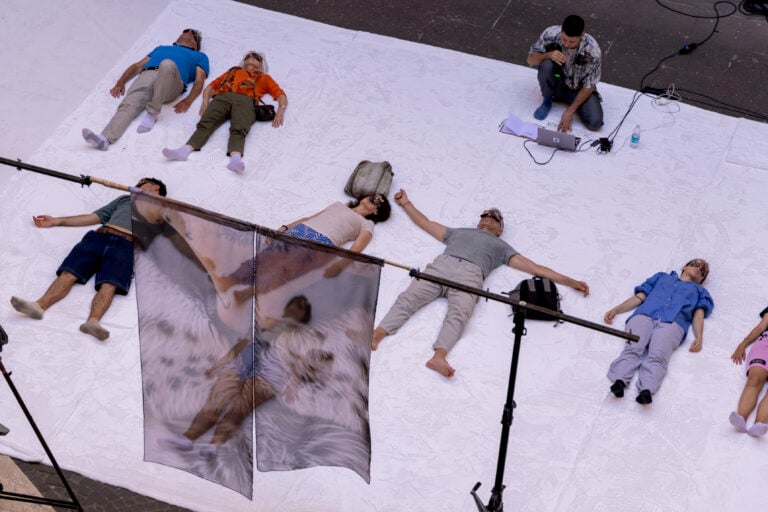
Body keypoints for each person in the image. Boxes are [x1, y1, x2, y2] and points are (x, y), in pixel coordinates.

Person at [371, 189, 590, 378]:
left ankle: (439, 356)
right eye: (484, 215)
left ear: (499, 230)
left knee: (460, 314)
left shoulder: (502, 247)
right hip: (443, 266)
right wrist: (405, 203)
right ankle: (377, 334)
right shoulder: (459, 232)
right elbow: (425, 223)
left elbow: (535, 268)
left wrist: (571, 281)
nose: (488, 218)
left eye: (494, 218)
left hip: (471, 276)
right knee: (409, 298)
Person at [10, 178, 168, 341]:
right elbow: (93, 217)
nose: (136, 186)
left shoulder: (166, 210)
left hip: (127, 246)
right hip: (99, 237)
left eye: (141, 183)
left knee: (110, 284)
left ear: (155, 187)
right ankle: (38, 306)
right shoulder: (125, 199)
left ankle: (93, 322)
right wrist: (58, 221)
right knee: (69, 273)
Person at [162, 295, 314, 453]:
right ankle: (187, 438)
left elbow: (300, 362)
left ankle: (214, 445)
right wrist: (219, 364)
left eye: (300, 309)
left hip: (269, 374)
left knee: (239, 409)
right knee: (217, 400)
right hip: (243, 363)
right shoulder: (268, 322)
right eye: (293, 306)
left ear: (303, 318)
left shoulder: (300, 337)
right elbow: (242, 344)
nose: (294, 311)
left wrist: (294, 385)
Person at [208, 194, 391, 298]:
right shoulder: (338, 205)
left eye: (378, 201)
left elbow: (357, 248)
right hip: (301, 231)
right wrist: (285, 228)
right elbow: (309, 218)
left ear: (376, 211)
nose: (374, 198)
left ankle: (247, 294)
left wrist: (339, 265)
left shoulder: (367, 224)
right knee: (265, 257)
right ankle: (229, 280)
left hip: (321, 242)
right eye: (373, 195)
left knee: (285, 269)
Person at [604, 259, 714, 405]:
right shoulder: (661, 277)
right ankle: (619, 381)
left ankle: (647, 389)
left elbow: (698, 315)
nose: (699, 268)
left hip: (673, 323)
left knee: (659, 356)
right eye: (696, 264)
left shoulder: (700, 292)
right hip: (645, 315)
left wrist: (699, 337)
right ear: (684, 266)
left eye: (703, 271)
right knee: (633, 348)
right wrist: (616, 310)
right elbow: (640, 297)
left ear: (702, 279)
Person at [82, 29, 209, 150]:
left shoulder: (199, 56)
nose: (187, 33)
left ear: (196, 44)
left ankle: (152, 113)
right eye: (185, 31)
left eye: (192, 33)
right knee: (128, 104)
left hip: (172, 81)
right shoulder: (161, 48)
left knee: (167, 64)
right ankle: (104, 139)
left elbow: (199, 80)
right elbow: (138, 66)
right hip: (147, 75)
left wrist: (189, 100)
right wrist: (121, 82)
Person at [162, 50, 287, 173]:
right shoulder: (233, 71)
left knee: (240, 128)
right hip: (223, 97)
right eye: (248, 56)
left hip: (246, 101)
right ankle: (184, 151)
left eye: (256, 57)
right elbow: (211, 86)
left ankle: (235, 160)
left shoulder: (264, 77)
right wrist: (205, 102)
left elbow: (281, 95)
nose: (251, 57)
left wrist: (280, 111)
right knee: (206, 123)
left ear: (261, 64)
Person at [526, 14, 603, 132]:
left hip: (578, 89)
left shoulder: (593, 50)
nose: (566, 45)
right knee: (546, 65)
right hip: (557, 81)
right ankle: (547, 100)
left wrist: (570, 110)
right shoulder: (550, 33)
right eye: (564, 39)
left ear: (581, 35)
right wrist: (547, 55)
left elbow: (589, 84)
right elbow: (530, 60)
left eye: (572, 42)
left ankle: (573, 103)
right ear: (561, 30)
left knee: (595, 122)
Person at [728, 308, 768, 436]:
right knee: (755, 378)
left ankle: (759, 425)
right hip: (765, 344)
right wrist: (742, 345)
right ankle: (741, 418)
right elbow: (761, 327)